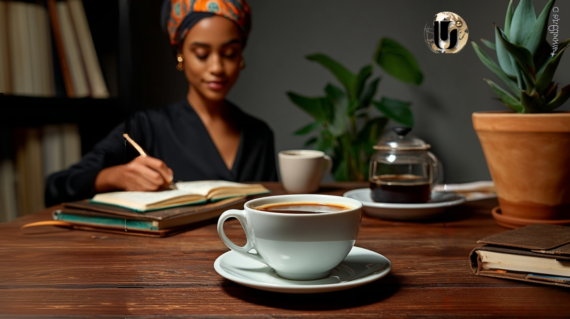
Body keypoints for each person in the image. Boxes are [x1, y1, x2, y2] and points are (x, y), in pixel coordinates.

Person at [45, 0, 277, 207]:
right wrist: (116, 176)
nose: (216, 67)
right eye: (201, 54)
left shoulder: (259, 134)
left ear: (241, 56)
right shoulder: (147, 126)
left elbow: (273, 207)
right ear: (180, 54)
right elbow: (56, 186)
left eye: (229, 53)